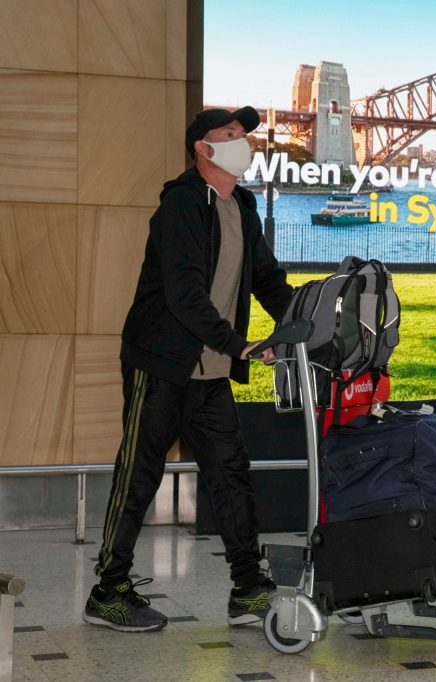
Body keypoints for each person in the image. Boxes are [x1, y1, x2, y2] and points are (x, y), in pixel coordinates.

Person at [82, 106, 294, 632]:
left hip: (212, 371)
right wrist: (238, 344)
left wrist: (302, 321)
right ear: (204, 147)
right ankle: (107, 593)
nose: (243, 142)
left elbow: (265, 278)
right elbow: (183, 294)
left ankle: (247, 589)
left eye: (244, 135)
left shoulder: (241, 204)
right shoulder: (180, 205)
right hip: (162, 365)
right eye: (231, 134)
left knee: (231, 476)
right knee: (138, 477)